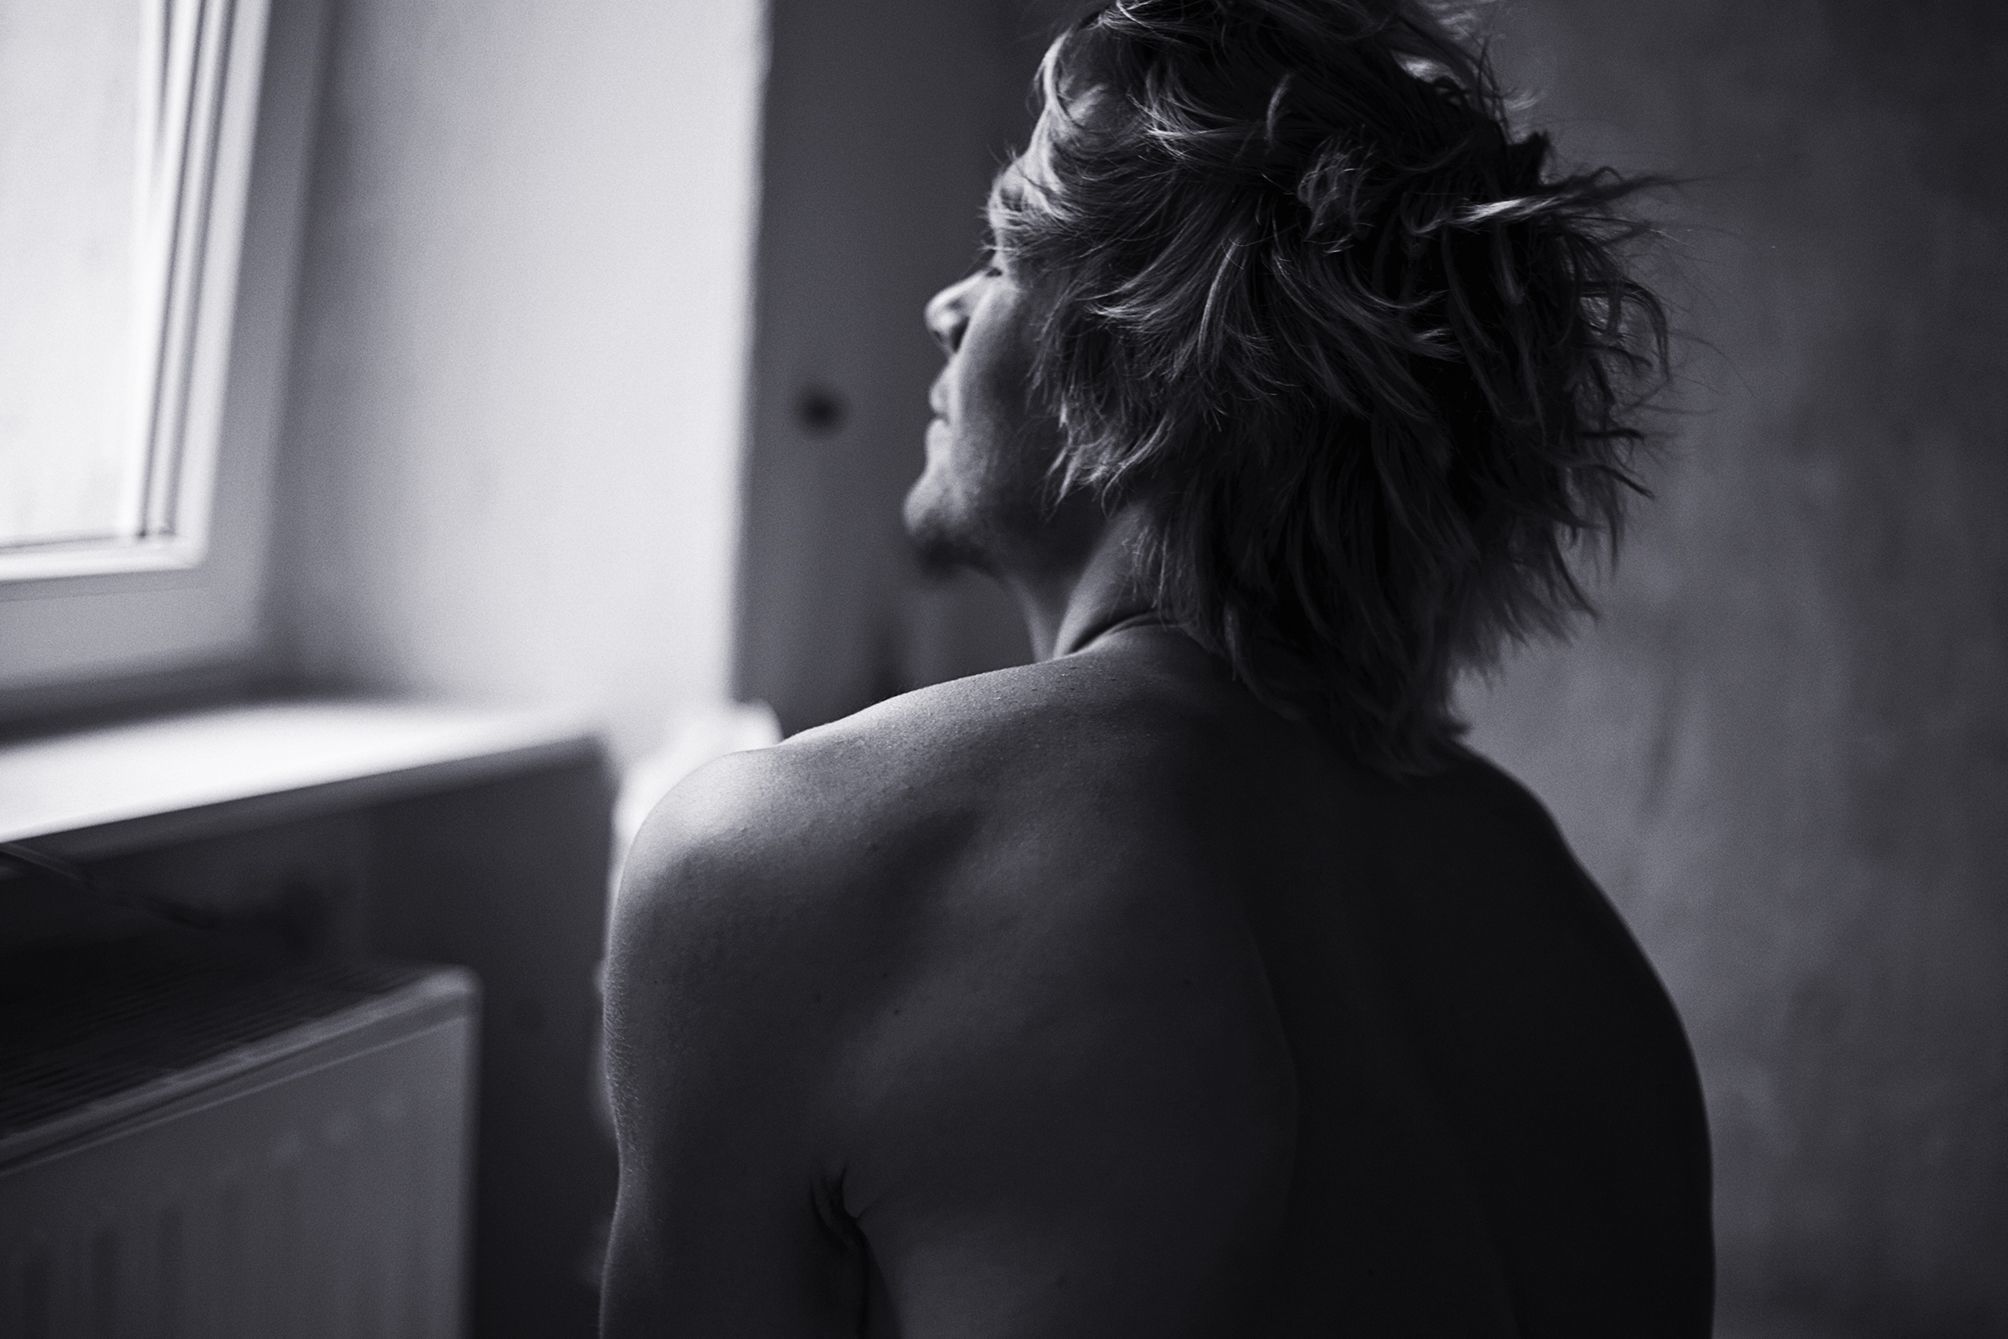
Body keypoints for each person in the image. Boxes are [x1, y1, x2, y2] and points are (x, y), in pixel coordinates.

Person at [600, 1, 1713, 1333]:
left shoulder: (777, 867)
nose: (948, 305)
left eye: (1005, 247)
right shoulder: (1567, 941)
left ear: (1144, 351)